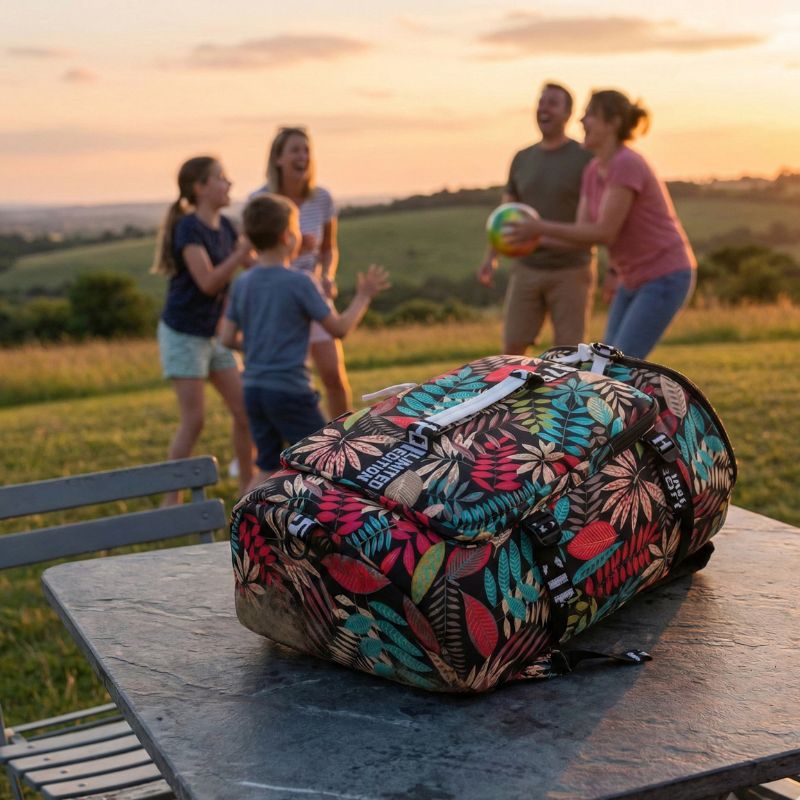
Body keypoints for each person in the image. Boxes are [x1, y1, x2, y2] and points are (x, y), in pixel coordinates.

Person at [504, 89, 696, 359]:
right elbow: (581, 235)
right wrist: (530, 240)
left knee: (620, 365)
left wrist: (539, 228)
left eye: (590, 114)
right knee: (606, 361)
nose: (581, 121)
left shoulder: (626, 163)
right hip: (632, 278)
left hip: (664, 274)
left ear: (613, 123)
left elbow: (604, 232)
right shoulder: (593, 171)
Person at [220, 193, 390, 489]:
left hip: (254, 390)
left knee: (267, 466)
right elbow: (339, 329)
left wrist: (260, 345)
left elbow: (226, 337)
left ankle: (242, 516)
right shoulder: (300, 282)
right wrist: (363, 296)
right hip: (290, 391)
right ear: (287, 237)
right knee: (327, 459)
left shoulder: (243, 283)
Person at [152, 156, 254, 502]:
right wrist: (241, 252)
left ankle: (248, 492)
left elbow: (257, 264)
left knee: (245, 413)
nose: (229, 184)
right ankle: (171, 504)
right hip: (183, 334)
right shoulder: (189, 228)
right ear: (200, 188)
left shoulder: (227, 226)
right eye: (221, 178)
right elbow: (208, 282)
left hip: (216, 334)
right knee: (194, 421)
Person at [477, 82, 595, 352]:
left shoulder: (584, 157)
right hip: (527, 269)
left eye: (552, 103)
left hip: (571, 270)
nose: (544, 108)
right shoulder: (522, 158)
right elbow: (505, 215)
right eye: (541, 102)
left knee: (569, 353)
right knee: (512, 349)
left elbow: (595, 221)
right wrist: (490, 257)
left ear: (568, 113)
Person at [251, 127, 351, 420]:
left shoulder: (322, 198)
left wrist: (328, 275)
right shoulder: (260, 201)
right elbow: (251, 256)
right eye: (295, 150)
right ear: (278, 158)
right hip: (277, 298)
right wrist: (293, 250)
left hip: (312, 292)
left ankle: (344, 437)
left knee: (333, 376)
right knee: (286, 381)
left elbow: (329, 249)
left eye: (306, 150)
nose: (303, 156)